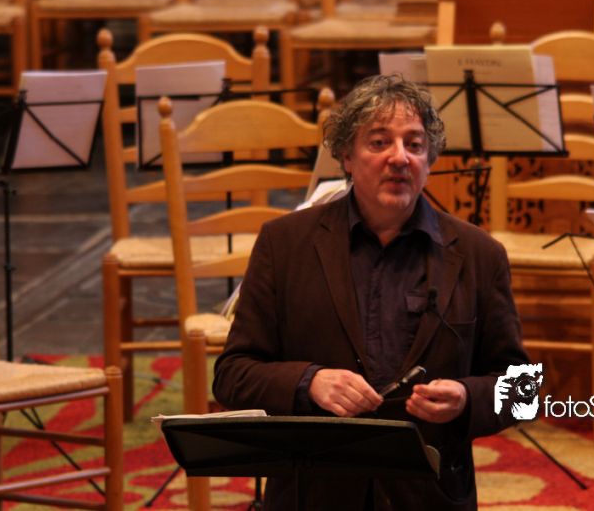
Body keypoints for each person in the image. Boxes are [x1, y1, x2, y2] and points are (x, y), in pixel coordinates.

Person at [213, 74, 530, 510]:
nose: (399, 157)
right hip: (316, 493)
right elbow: (232, 375)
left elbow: (523, 390)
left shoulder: (479, 254)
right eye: (379, 142)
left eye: (414, 145)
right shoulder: (284, 244)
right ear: (346, 155)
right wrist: (309, 382)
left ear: (429, 160)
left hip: (428, 495)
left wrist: (467, 398)